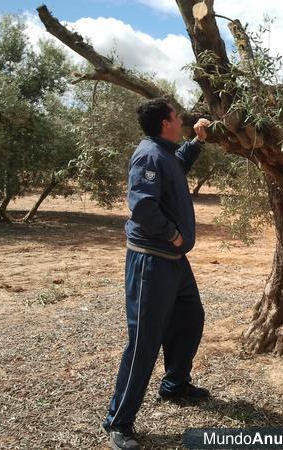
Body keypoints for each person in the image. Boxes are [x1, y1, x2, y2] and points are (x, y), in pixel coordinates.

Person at [102, 98, 211, 450]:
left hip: (175, 261)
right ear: (166, 122)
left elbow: (177, 166)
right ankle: (119, 422)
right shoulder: (148, 155)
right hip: (152, 259)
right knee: (144, 341)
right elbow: (142, 204)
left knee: (191, 317)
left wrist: (196, 142)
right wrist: (173, 234)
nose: (181, 121)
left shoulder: (165, 151)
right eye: (177, 118)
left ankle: (175, 384)